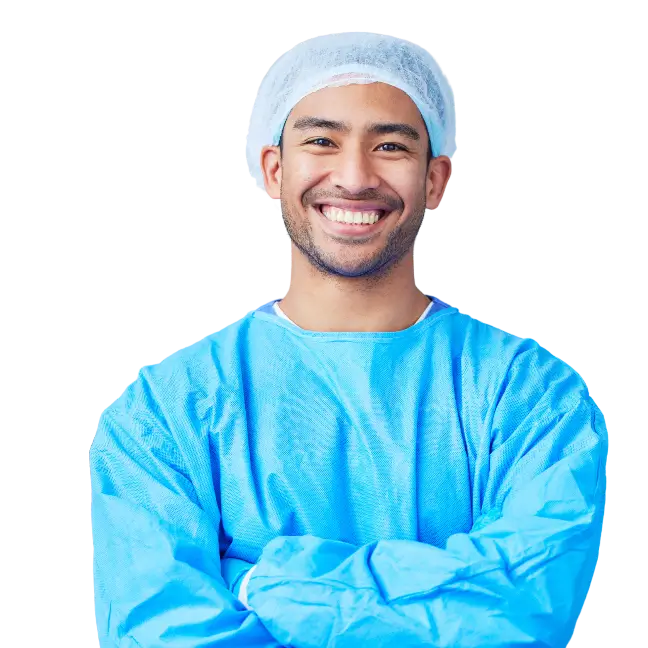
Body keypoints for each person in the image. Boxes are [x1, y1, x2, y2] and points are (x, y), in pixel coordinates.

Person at [90, 31, 608, 647]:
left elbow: (518, 611)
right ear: (274, 170)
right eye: (321, 141)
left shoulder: (530, 398)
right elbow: (159, 631)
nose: (356, 176)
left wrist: (261, 582)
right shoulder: (164, 411)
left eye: (390, 145)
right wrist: (434, 591)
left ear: (435, 180)